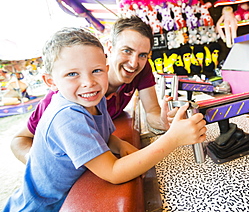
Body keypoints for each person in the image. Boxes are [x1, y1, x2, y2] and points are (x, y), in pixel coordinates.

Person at [3, 27, 206, 211]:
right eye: (72, 74)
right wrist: (173, 139)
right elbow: (114, 172)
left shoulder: (94, 98)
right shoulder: (66, 117)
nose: (88, 82)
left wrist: (122, 146)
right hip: (43, 206)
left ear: (105, 69)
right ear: (50, 81)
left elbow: (106, 136)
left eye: (96, 71)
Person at [11, 16, 174, 164]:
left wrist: (164, 122)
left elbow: (152, 110)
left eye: (142, 55)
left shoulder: (141, 69)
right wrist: (40, 165)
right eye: (127, 51)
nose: (134, 63)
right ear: (109, 47)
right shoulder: (65, 97)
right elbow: (20, 139)